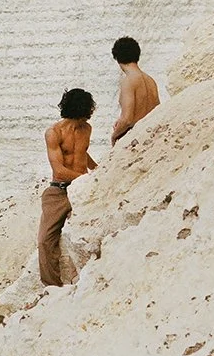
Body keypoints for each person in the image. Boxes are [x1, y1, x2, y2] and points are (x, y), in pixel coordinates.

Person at [37, 88, 97, 287]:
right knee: (45, 240)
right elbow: (60, 170)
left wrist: (98, 169)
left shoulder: (86, 129)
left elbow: (82, 153)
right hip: (60, 190)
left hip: (82, 188)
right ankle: (51, 287)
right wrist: (87, 178)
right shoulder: (54, 133)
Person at [109, 36, 161, 145]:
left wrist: (114, 136)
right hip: (150, 136)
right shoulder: (151, 81)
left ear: (117, 58)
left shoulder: (128, 81)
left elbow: (127, 119)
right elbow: (157, 111)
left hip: (134, 138)